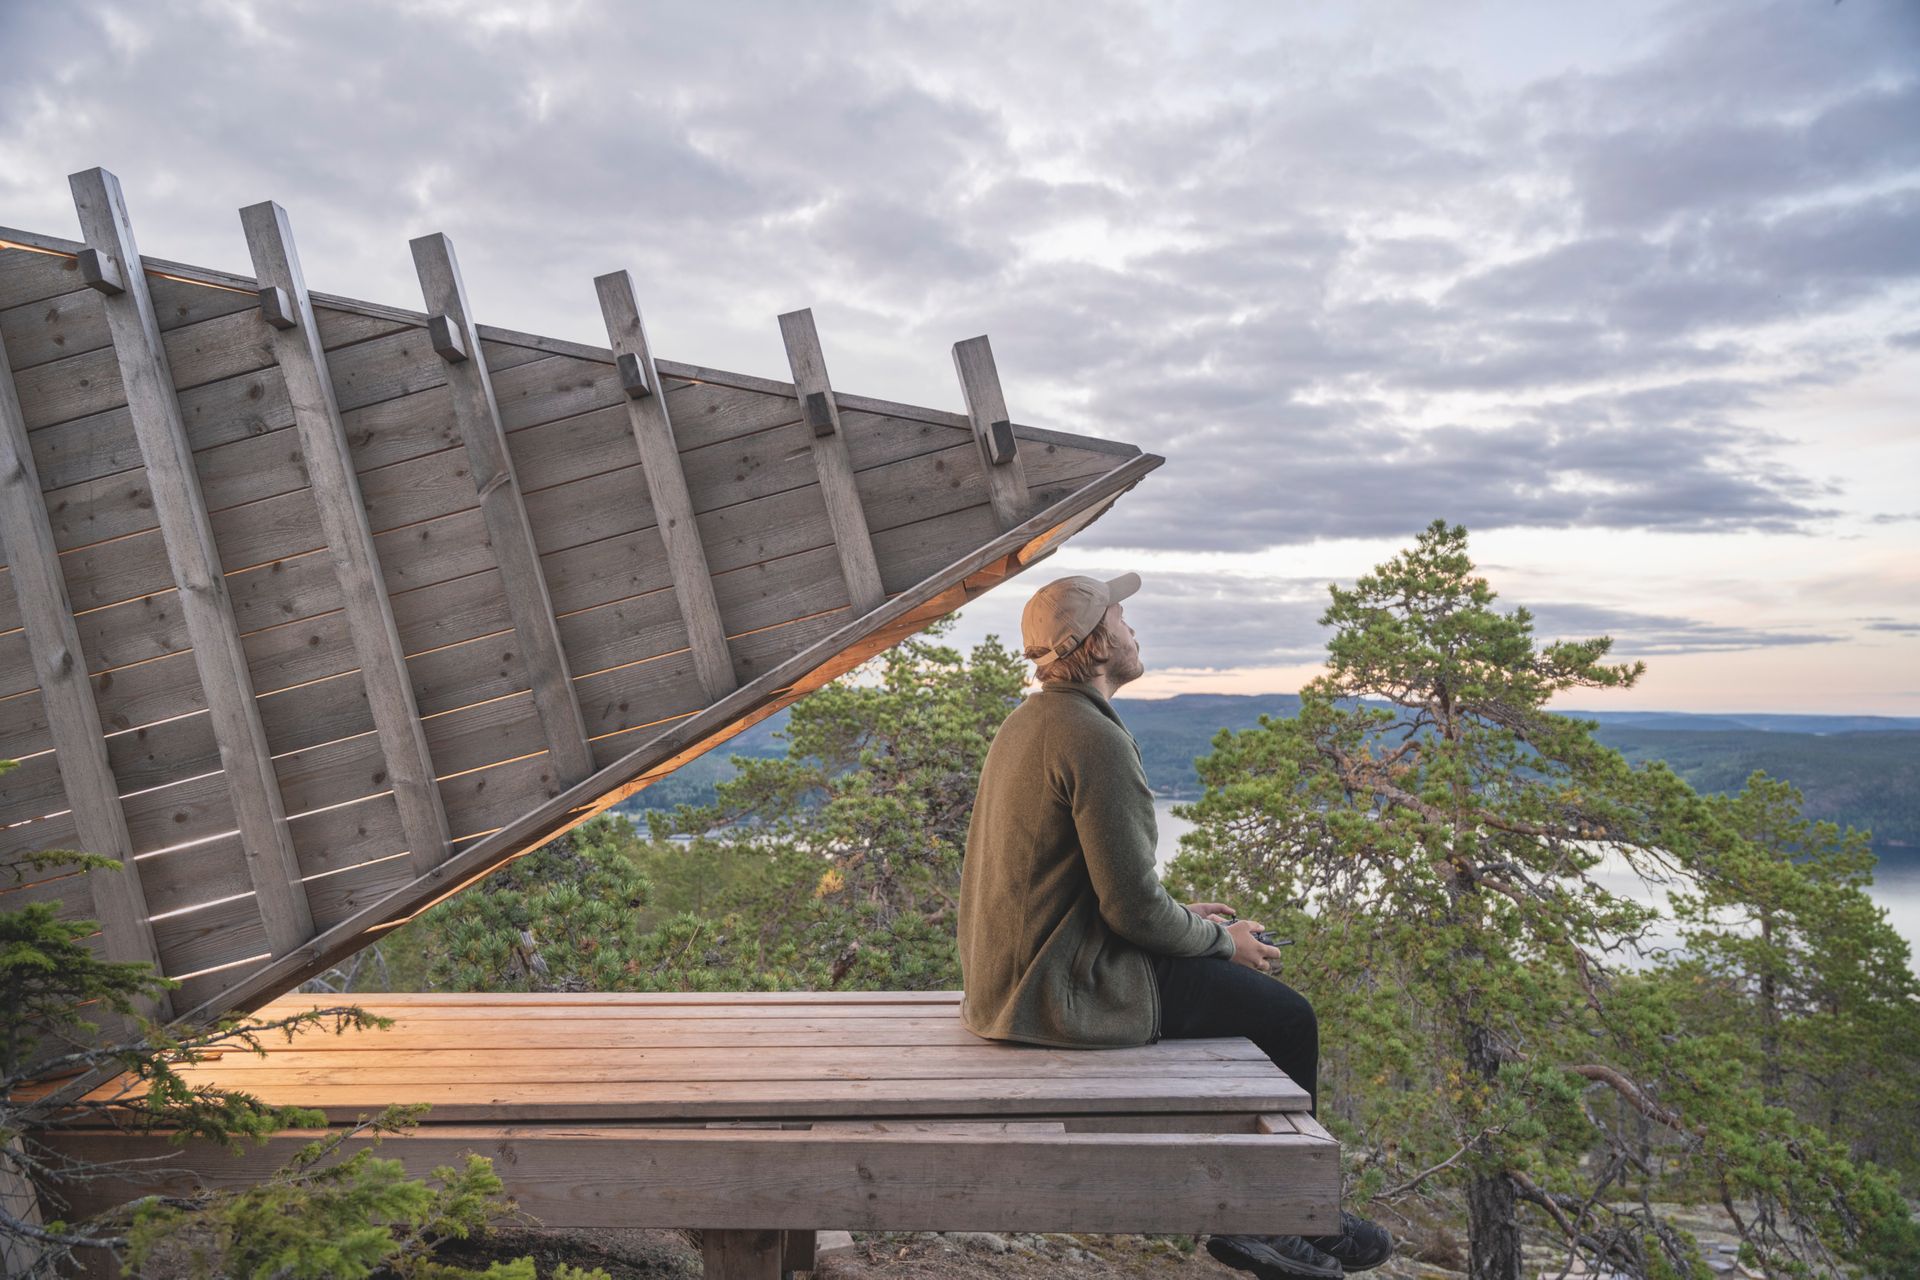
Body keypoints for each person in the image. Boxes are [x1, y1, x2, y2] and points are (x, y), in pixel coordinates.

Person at [957, 572, 1392, 1280]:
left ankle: (1281, 1211)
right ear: (1097, 645)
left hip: (1020, 979)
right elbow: (1130, 911)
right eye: (1123, 616)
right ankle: (1276, 1217)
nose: (1135, 629)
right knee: (1287, 1017)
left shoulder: (1032, 720)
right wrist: (1225, 942)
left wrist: (1187, 919)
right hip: (1062, 994)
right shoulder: (1092, 738)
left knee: (1235, 989)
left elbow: (1083, 887)